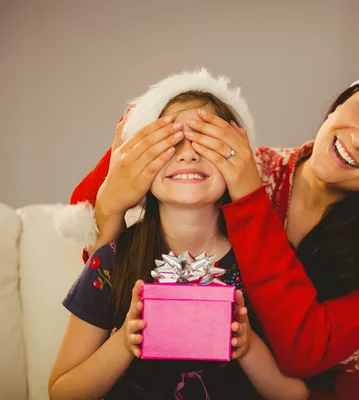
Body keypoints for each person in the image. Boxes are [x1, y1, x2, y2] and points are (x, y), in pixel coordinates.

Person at [56, 58, 359, 399]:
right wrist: (114, 197)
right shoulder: (252, 167)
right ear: (340, 102)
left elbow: (304, 354)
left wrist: (248, 198)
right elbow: (109, 278)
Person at [49, 70, 310, 400]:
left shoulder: (262, 262)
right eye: (171, 142)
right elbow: (62, 391)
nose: (188, 154)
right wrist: (125, 342)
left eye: (205, 140)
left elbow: (295, 394)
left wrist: (247, 346)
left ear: (238, 160)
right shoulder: (112, 261)